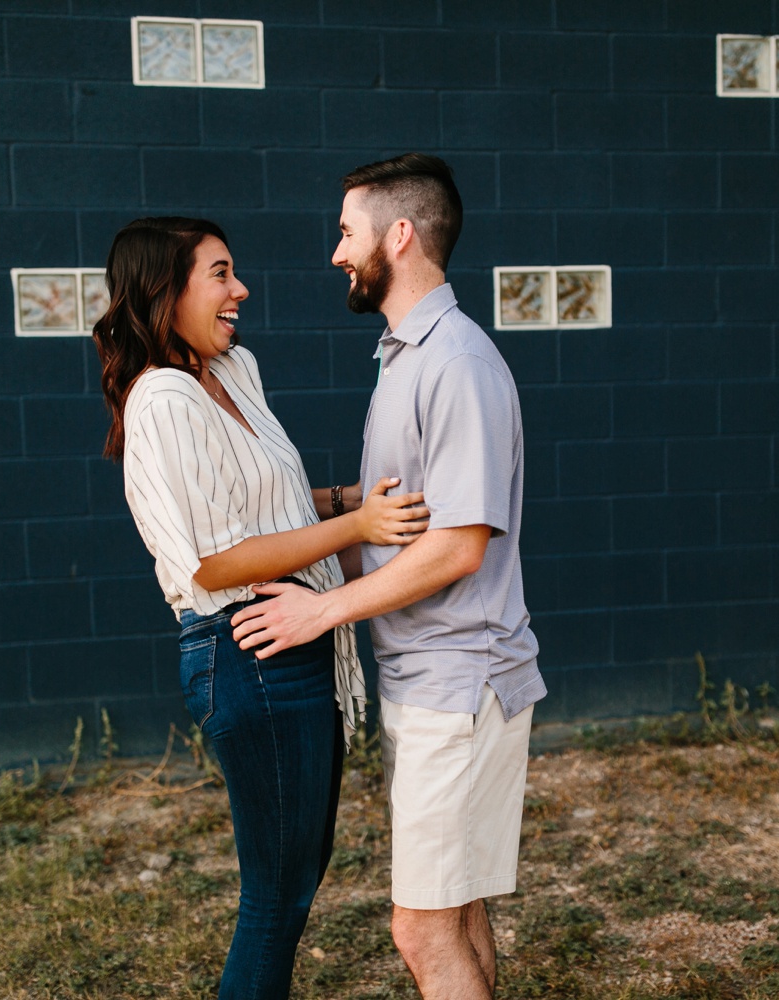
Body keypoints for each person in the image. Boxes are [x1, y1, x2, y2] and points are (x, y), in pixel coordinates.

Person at [229, 154, 547, 1000]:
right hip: (430, 678)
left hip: (459, 681)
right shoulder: (406, 355)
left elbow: (458, 547)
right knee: (457, 909)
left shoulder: (456, 364)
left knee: (421, 928)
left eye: (347, 232)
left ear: (398, 235)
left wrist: (320, 611)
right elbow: (398, 522)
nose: (337, 251)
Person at [91, 216, 429, 1000]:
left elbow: (259, 503)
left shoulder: (233, 370)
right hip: (247, 650)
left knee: (295, 883)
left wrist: (345, 499)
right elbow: (217, 557)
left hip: (294, 645)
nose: (240, 289)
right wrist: (359, 527)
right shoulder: (163, 399)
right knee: (274, 903)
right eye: (220, 273)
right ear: (164, 293)